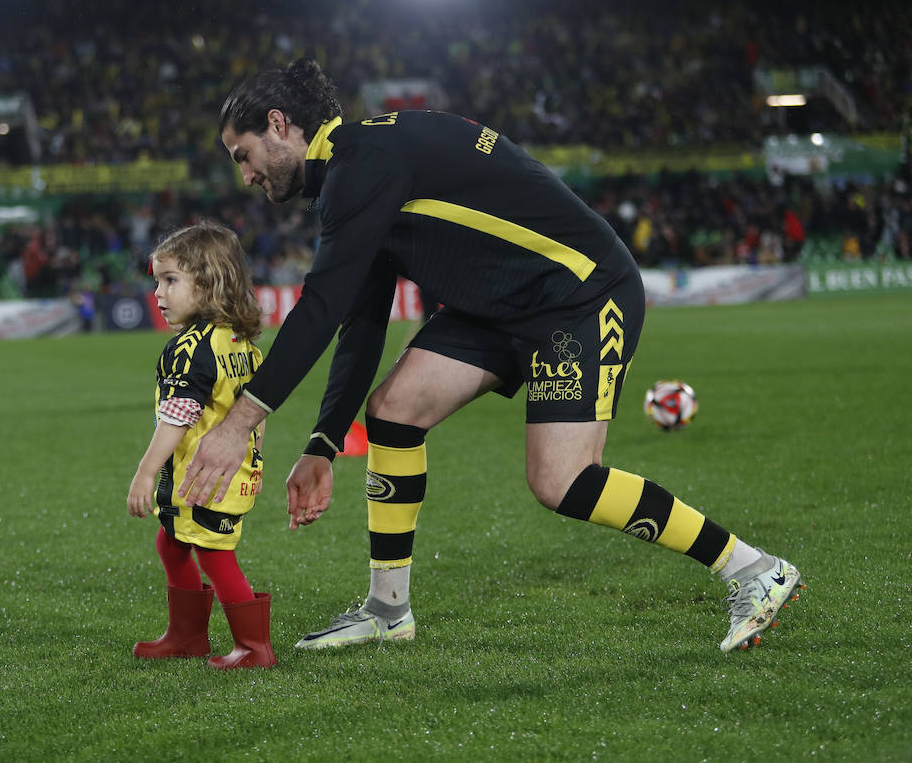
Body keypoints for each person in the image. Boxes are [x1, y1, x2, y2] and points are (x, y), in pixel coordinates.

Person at [177, 58, 803, 654]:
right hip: (497, 306)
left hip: (578, 294)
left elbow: (318, 307)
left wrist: (239, 426)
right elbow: (361, 319)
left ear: (280, 124)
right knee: (394, 409)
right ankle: (387, 611)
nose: (247, 176)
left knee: (560, 481)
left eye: (245, 155)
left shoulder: (365, 162)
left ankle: (754, 569)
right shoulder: (354, 172)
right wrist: (323, 441)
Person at [126, 222, 277, 669]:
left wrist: (145, 470)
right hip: (235, 472)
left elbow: (178, 415)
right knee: (172, 545)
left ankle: (254, 648)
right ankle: (186, 636)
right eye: (157, 281)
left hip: (202, 476)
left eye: (171, 280)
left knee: (215, 556)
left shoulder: (190, 347)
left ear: (209, 283)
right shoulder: (238, 341)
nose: (158, 293)